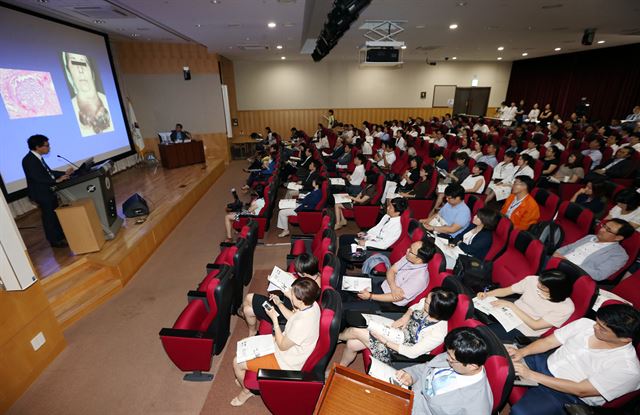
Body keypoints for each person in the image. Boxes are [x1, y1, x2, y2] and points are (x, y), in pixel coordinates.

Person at [509, 304, 640, 415]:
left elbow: (580, 390)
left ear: (625, 339)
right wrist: (522, 351)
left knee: (521, 412)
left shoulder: (627, 368)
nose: (595, 327)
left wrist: (531, 375)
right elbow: (548, 342)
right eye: (597, 322)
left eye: (603, 328)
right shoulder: (585, 324)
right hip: (545, 363)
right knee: (499, 362)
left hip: (567, 393)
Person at [231, 277, 321, 406]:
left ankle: (247, 391)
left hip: (285, 361)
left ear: (301, 301)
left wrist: (274, 319)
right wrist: (279, 304)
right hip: (286, 346)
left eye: (292, 294)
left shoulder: (302, 324)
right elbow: (293, 318)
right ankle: (245, 378)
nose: (290, 295)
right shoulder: (313, 305)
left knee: (237, 362)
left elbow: (282, 346)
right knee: (245, 344)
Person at [337, 288, 458, 366]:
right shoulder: (428, 304)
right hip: (399, 331)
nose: (424, 301)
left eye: (427, 302)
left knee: (355, 331)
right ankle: (340, 367)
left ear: (435, 310)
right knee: (352, 344)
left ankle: (333, 338)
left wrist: (384, 341)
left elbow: (412, 352)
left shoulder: (439, 332)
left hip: (401, 349)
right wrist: (405, 316)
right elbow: (415, 306)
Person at [395, 327, 493, 415]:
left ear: (472, 366)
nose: (447, 358)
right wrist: (411, 374)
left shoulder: (477, 407)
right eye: (448, 353)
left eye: (452, 359)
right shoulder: (455, 354)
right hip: (406, 393)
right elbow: (427, 367)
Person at [341, 238, 435, 312]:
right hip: (381, 287)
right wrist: (393, 287)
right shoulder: (409, 258)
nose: (407, 250)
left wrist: (370, 296)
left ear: (419, 260)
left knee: (342, 308)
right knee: (344, 285)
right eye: (409, 247)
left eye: (410, 251)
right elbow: (391, 270)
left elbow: (395, 297)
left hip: (388, 303)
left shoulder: (419, 278)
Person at [477, 270, 574, 341]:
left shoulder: (565, 307)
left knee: (482, 335)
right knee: (473, 313)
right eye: (540, 281)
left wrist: (511, 306)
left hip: (522, 330)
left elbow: (535, 325)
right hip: (507, 313)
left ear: (556, 290)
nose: (538, 285)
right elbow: (507, 290)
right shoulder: (533, 280)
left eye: (543, 286)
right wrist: (487, 294)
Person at [240, 253, 321, 336]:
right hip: (287, 302)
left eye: (298, 272)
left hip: (285, 310)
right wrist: (293, 278)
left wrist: (287, 293)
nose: (297, 273)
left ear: (304, 274)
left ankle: (244, 315)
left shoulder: (312, 290)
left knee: (249, 297)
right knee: (248, 310)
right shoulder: (316, 277)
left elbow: (298, 310)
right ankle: (252, 331)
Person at [21, 134, 73, 247]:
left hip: (47, 191)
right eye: (46, 145)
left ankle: (60, 236)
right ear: (37, 147)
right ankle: (55, 241)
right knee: (49, 217)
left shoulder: (37, 158)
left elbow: (48, 172)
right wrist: (57, 181)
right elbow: (37, 177)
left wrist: (64, 173)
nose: (49, 147)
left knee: (54, 214)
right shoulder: (29, 160)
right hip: (40, 193)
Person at [553, 218, 634, 281]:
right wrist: (556, 254)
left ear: (618, 237)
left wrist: (567, 263)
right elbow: (568, 247)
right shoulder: (590, 237)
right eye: (604, 226)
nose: (602, 230)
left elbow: (599, 274)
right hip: (556, 262)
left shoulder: (619, 255)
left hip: (573, 275)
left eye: (608, 230)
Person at [62, 51, 113, 136]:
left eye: (83, 62)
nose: (80, 69)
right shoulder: (68, 109)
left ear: (92, 72)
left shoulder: (111, 101)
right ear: (69, 72)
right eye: (74, 62)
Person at [340, 197, 407, 250]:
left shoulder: (397, 226)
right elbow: (377, 228)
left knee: (344, 240)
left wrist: (366, 243)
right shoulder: (387, 216)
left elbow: (384, 245)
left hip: (374, 246)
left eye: (390, 207)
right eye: (388, 205)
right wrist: (366, 233)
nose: (387, 208)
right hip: (370, 238)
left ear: (397, 212)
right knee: (343, 238)